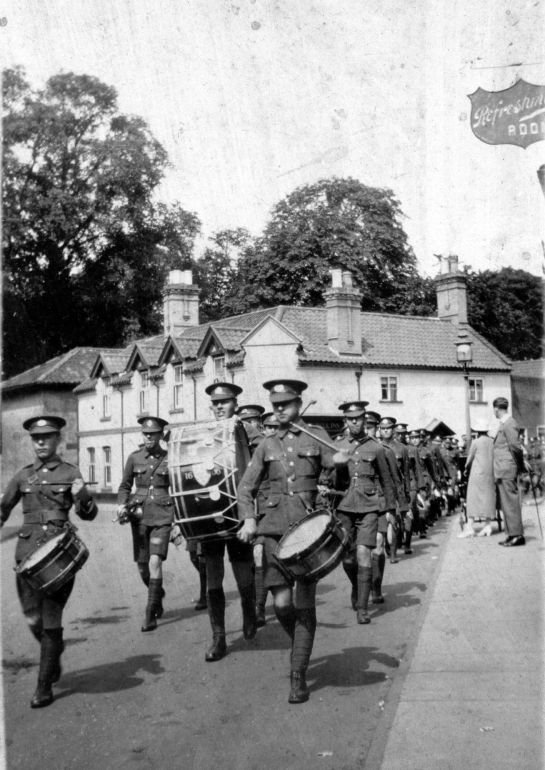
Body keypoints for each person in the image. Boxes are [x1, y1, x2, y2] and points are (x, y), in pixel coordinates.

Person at [237, 379, 349, 703]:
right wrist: (247, 517)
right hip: (273, 530)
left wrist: (340, 466)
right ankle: (301, 639)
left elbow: (339, 478)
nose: (280, 409)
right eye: (275, 405)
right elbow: (246, 488)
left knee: (303, 603)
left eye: (285, 403)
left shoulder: (317, 437)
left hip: (308, 533)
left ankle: (297, 674)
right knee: (281, 604)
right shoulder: (266, 445)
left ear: (299, 403)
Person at [1, 416, 98, 708]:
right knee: (33, 618)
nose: (41, 442)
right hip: (26, 555)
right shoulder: (22, 476)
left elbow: (88, 514)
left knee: (51, 617)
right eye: (36, 438)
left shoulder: (70, 473)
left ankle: (43, 687)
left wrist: (83, 496)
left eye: (47, 437)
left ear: (58, 440)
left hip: (59, 556)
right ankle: (52, 650)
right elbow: (3, 509)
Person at [200, 382, 257, 661]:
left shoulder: (247, 429)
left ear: (236, 403)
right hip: (210, 513)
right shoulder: (203, 433)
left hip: (238, 511)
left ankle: (249, 611)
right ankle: (219, 638)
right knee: (213, 575)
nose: (219, 406)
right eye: (215, 403)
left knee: (243, 573)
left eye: (225, 402)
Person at [117, 417, 173, 632]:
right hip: (139, 516)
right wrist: (122, 505)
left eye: (153, 433)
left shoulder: (169, 458)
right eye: (146, 433)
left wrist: (176, 522)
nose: (149, 437)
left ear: (160, 435)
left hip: (163, 516)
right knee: (142, 568)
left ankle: (150, 615)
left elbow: (176, 488)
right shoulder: (134, 458)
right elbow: (124, 486)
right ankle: (157, 594)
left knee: (154, 561)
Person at [254, 411, 280, 626]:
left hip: (283, 512)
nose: (272, 430)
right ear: (263, 429)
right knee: (259, 556)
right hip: (261, 512)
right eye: (269, 427)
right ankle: (259, 608)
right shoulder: (258, 450)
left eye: (276, 427)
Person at [492, 397, 525, 546]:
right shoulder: (504, 423)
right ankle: (511, 534)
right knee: (506, 502)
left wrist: (520, 466)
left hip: (507, 467)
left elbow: (515, 447)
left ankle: (517, 535)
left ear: (496, 409)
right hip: (503, 468)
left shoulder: (509, 423)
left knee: (510, 502)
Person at [378, 417, 411, 563]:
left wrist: (406, 492)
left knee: (394, 521)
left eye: (388, 428)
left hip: (396, 489)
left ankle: (393, 553)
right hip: (381, 489)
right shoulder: (377, 447)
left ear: (393, 430)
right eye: (383, 428)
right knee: (383, 522)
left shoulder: (401, 448)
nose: (386, 431)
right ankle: (386, 548)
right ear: (380, 430)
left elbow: (405, 473)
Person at [458, 420, 495, 538]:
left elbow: (469, 459)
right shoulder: (492, 442)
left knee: (473, 498)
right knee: (488, 498)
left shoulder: (476, 442)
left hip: (477, 474)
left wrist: (465, 468)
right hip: (490, 474)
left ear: (477, 431)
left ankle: (469, 527)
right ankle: (487, 525)